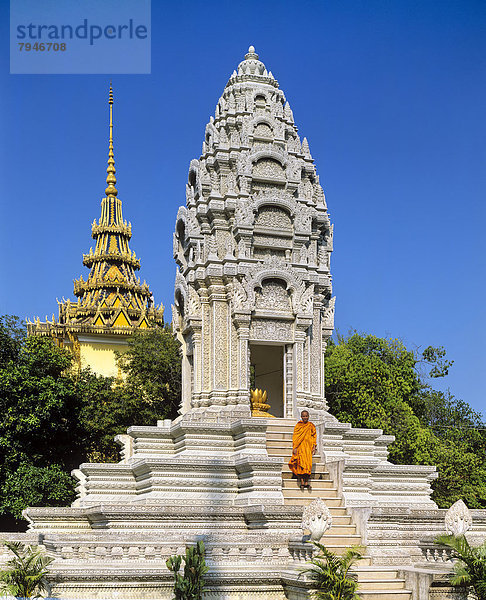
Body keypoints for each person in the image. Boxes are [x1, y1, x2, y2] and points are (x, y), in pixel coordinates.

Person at [288, 410, 317, 489]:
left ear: (308, 416)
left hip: (308, 448)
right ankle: (302, 482)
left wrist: (314, 447)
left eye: (306, 416)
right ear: (301, 417)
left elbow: (314, 437)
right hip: (300, 448)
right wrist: (295, 448)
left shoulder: (311, 426)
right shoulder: (298, 426)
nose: (305, 417)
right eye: (303, 416)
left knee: (308, 465)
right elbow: (295, 437)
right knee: (300, 464)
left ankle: (307, 482)